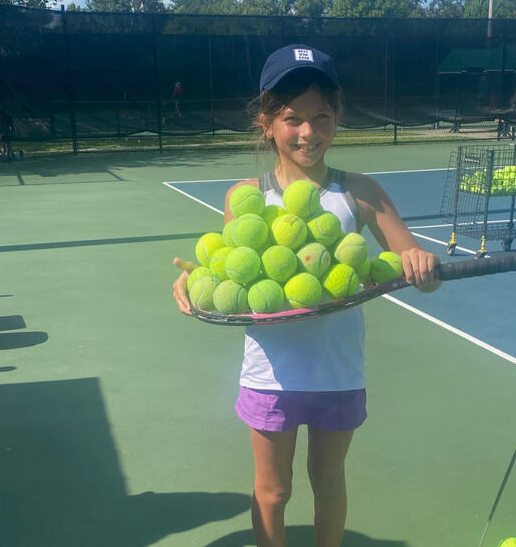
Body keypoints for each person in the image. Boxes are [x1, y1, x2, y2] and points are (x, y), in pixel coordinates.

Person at [172, 44, 440, 547]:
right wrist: (189, 276)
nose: (308, 132)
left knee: (329, 484)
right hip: (269, 374)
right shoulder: (244, 196)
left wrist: (423, 267)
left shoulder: (361, 191)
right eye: (293, 118)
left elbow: (414, 263)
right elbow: (229, 270)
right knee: (273, 492)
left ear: (337, 118)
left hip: (338, 372)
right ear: (267, 123)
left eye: (322, 117)